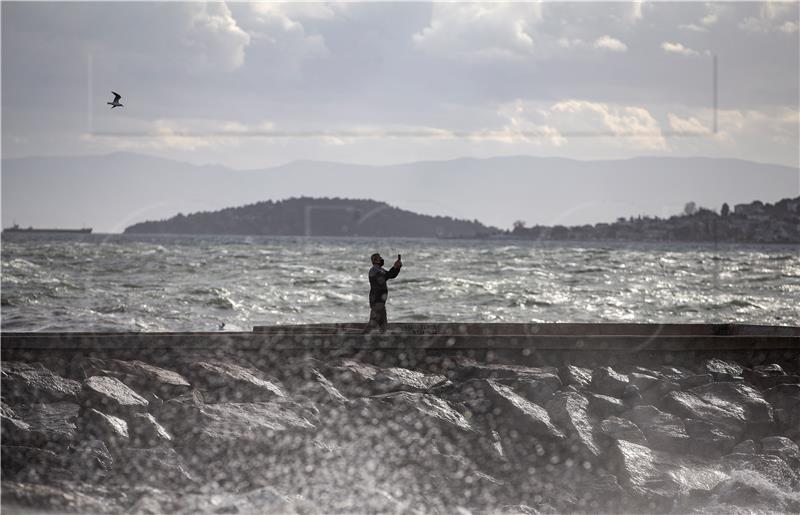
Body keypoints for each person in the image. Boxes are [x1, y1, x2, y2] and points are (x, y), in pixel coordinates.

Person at [366, 252, 402, 332]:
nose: (381, 259)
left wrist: (397, 268)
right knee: (375, 322)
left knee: (382, 322)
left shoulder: (380, 270)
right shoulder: (374, 270)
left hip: (381, 301)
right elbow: (385, 277)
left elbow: (390, 275)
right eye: (379, 258)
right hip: (376, 300)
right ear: (375, 260)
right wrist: (394, 267)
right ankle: (364, 337)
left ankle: (381, 335)